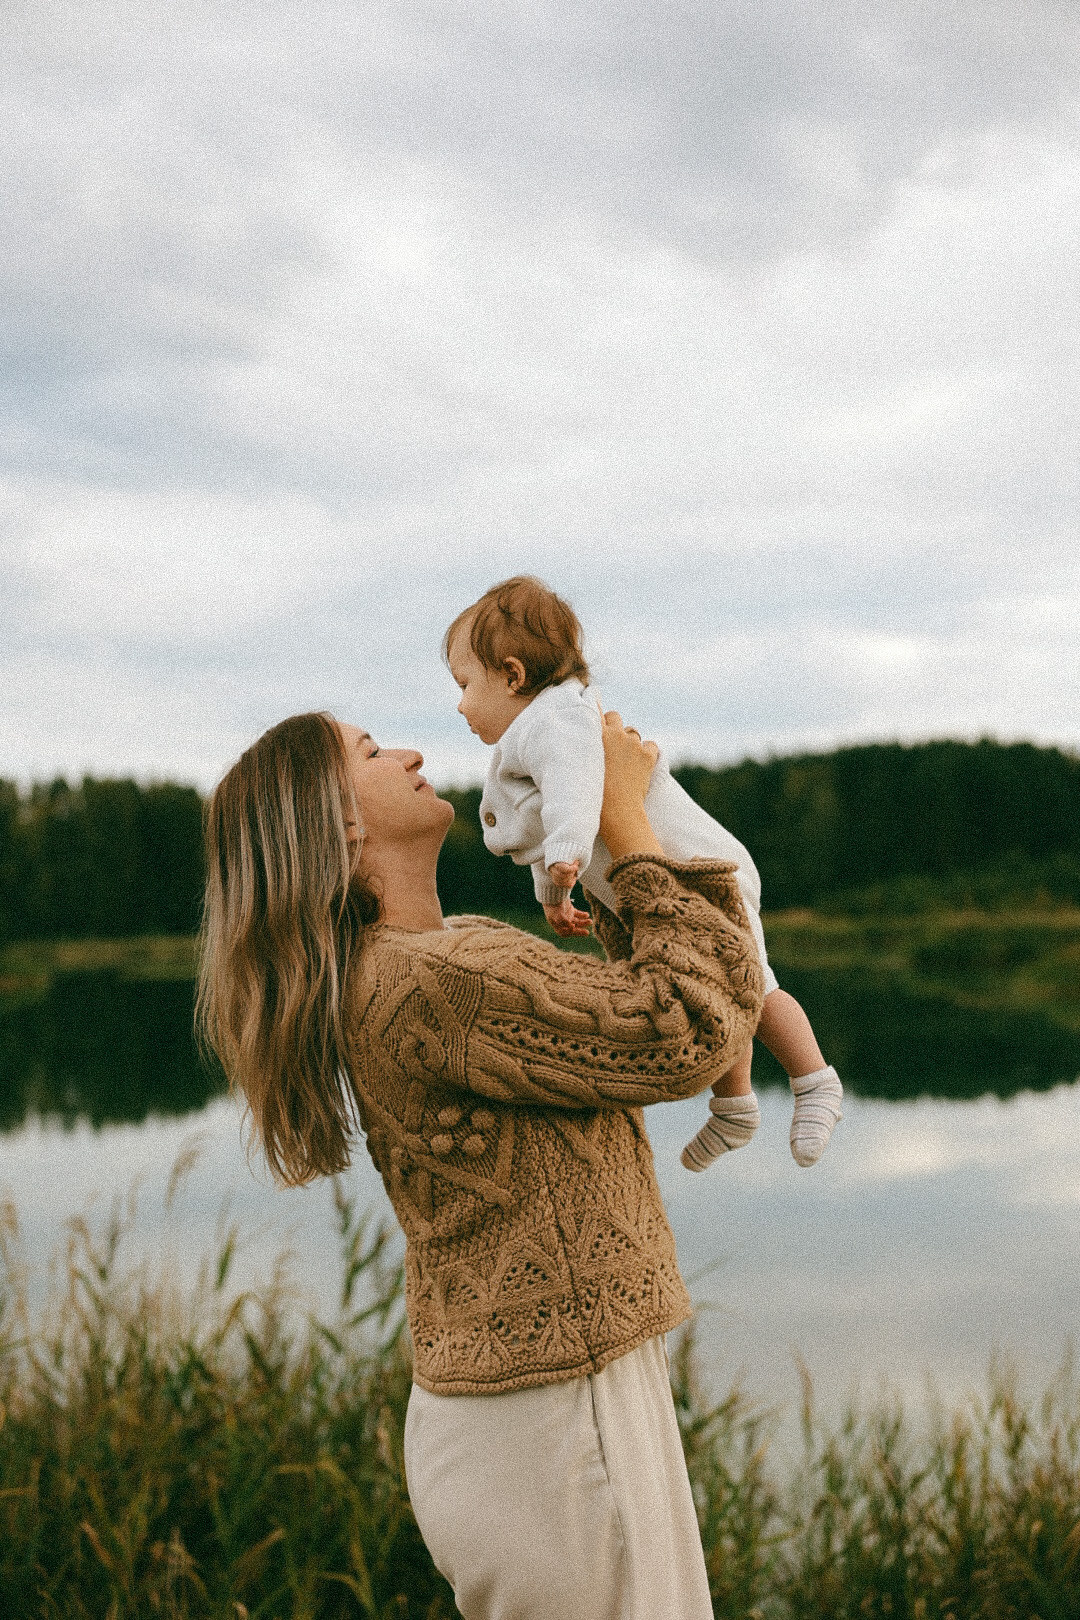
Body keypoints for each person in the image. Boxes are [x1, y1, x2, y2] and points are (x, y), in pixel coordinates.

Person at [196, 706, 765, 1620]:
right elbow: (686, 1028)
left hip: (543, 1409)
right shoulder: (431, 981)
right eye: (371, 752)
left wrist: (612, 834)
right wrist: (624, 818)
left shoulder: (436, 958)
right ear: (338, 823)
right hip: (553, 1421)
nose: (411, 752)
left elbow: (636, 1011)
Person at [443, 575, 843, 1171]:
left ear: (512, 675)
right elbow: (545, 819)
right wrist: (556, 889)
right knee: (724, 995)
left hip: (704, 875)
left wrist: (565, 860)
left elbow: (573, 799)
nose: (460, 704)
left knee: (751, 986)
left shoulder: (557, 721)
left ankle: (814, 1081)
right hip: (654, 886)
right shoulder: (534, 735)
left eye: (465, 684)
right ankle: (734, 1105)